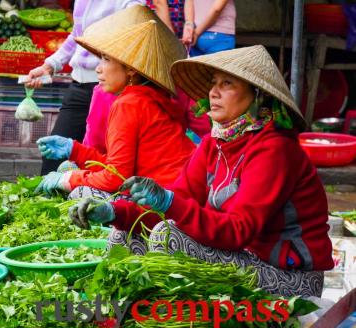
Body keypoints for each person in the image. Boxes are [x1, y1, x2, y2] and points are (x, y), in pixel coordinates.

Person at [69, 45, 333, 297]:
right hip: (243, 256)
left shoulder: (275, 149)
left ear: (258, 95)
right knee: (125, 233)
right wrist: (117, 212)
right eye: (214, 83)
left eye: (227, 84)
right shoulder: (214, 143)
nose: (214, 93)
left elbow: (237, 231)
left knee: (168, 235)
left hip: (290, 275)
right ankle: (128, 315)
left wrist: (170, 203)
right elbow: (181, 196)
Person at [35, 7, 195, 200]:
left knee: (78, 191)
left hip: (162, 200)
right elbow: (117, 166)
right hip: (179, 192)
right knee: (70, 168)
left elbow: (115, 178)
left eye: (106, 59)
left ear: (131, 70)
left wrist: (68, 180)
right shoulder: (146, 96)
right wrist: (74, 149)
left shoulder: (128, 104)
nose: (99, 69)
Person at [27, 0, 146, 175]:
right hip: (79, 86)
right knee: (53, 155)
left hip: (110, 88)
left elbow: (134, 35)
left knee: (100, 159)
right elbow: (77, 35)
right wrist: (50, 65)